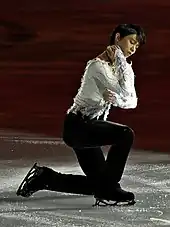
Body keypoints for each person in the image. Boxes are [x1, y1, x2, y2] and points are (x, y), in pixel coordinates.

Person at [16, 24, 146, 206]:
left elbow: (132, 102)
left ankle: (45, 178)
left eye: (137, 46)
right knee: (125, 134)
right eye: (131, 42)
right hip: (78, 126)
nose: (133, 49)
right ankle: (109, 189)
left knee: (98, 184)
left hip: (91, 127)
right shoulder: (96, 67)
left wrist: (119, 88)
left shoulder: (123, 68)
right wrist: (119, 64)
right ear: (118, 38)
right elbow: (124, 91)